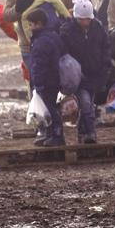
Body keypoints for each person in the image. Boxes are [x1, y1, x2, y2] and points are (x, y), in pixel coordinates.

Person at [60, 0, 111, 144]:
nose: (85, 22)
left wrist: (105, 67)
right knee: (86, 103)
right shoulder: (67, 30)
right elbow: (63, 53)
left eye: (87, 19)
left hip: (96, 74)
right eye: (82, 19)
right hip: (78, 76)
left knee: (87, 104)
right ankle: (90, 133)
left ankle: (83, 134)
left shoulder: (98, 28)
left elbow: (106, 48)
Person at [28, 8, 66, 146]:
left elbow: (39, 65)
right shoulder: (53, 36)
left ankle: (57, 135)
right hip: (55, 78)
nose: (30, 27)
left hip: (46, 81)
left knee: (50, 108)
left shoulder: (41, 41)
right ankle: (50, 135)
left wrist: (37, 83)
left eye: (31, 24)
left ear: (38, 24)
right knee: (49, 108)